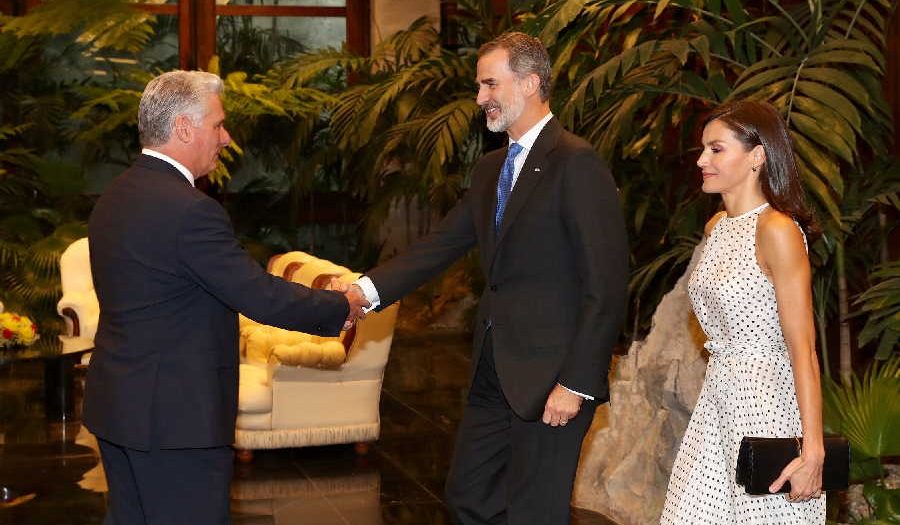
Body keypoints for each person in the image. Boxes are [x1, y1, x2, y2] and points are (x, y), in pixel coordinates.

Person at [342, 32, 628, 524]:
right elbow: (439, 246)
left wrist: (577, 383)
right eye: (480, 86)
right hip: (492, 371)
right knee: (468, 498)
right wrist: (363, 292)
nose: (480, 99)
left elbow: (607, 284)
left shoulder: (576, 163)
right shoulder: (490, 168)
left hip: (553, 377)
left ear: (532, 82)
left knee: (536, 512)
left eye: (490, 84)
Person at [83, 70, 369, 525]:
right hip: (177, 421)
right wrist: (341, 305)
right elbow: (255, 293)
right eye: (217, 124)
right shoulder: (190, 210)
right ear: (183, 128)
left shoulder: (114, 197)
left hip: (120, 407)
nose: (226, 136)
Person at [660, 100, 825, 524]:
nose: (701, 160)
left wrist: (813, 450)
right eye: (702, 149)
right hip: (716, 400)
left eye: (716, 149)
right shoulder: (717, 228)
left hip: (765, 404)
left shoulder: (778, 229)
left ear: (757, 156)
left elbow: (803, 349)